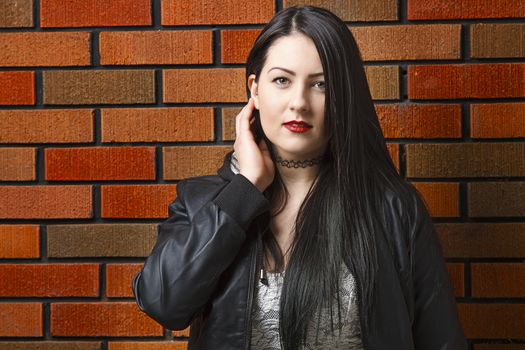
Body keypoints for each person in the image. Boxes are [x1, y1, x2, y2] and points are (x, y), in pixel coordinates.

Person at [132, 5, 467, 350]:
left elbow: (442, 342)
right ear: (255, 90)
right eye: (282, 80)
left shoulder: (393, 209)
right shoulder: (204, 202)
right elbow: (162, 303)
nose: (299, 102)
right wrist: (245, 189)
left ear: (342, 96)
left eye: (320, 84)